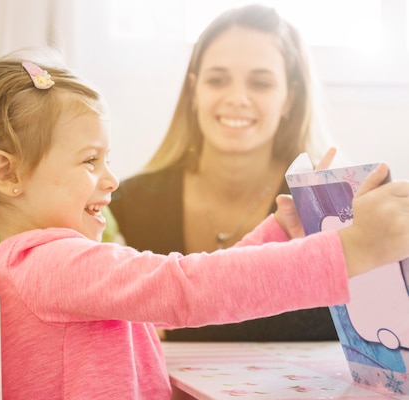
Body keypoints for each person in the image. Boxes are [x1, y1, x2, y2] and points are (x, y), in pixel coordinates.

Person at [0, 48, 409, 400]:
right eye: (89, 160)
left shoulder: (39, 269)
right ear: (6, 174)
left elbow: (167, 297)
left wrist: (278, 233)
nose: (109, 179)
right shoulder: (52, 264)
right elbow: (183, 289)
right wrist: (351, 249)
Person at [109, 4, 340, 341]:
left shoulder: (330, 208)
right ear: (194, 91)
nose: (237, 98)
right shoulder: (123, 206)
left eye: (260, 83)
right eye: (218, 80)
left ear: (289, 98)